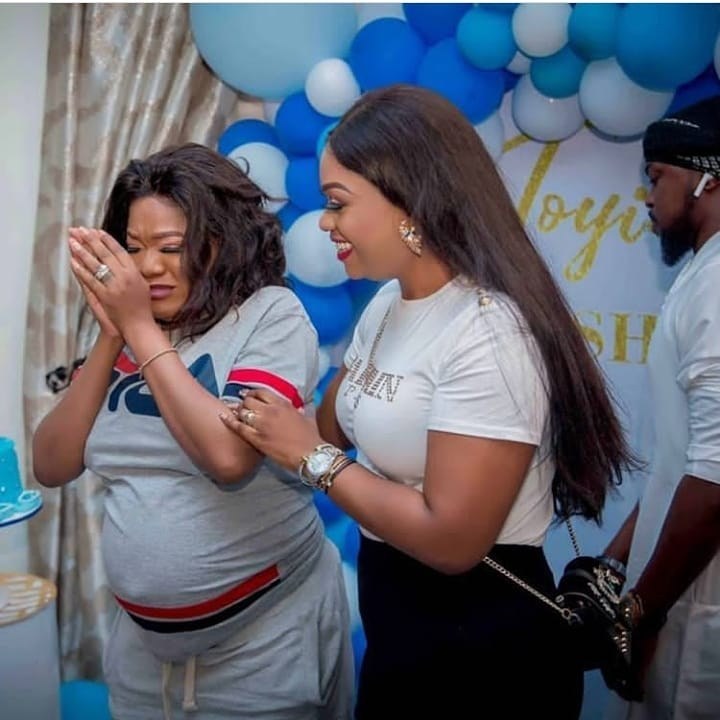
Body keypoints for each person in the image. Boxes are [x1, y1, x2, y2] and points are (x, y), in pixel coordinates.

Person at [219, 84, 638, 719]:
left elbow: (451, 540)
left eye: (338, 203)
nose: (325, 222)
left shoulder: (490, 332)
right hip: (404, 633)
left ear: (408, 201)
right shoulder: (388, 304)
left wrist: (311, 458)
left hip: (486, 654)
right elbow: (328, 426)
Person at [32, 143, 354, 720]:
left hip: (262, 649)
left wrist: (138, 328)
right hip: (141, 660)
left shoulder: (269, 316)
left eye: (170, 248)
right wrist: (111, 337)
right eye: (133, 248)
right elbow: (51, 464)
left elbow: (228, 457)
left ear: (221, 242)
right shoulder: (129, 332)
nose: (147, 267)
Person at [602, 96, 720, 720]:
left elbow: (715, 478)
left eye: (657, 177)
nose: (648, 198)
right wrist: (614, 562)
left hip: (698, 606)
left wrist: (639, 615)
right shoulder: (702, 272)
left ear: (707, 177)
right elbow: (679, 459)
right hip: (676, 591)